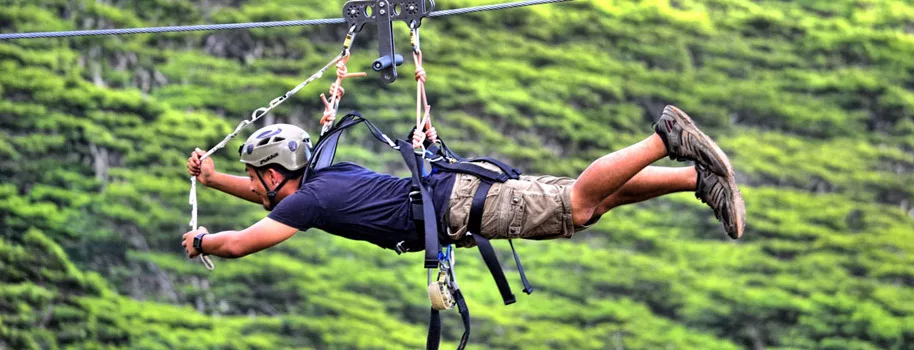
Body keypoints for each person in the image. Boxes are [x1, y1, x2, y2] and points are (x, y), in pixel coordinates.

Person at [180, 105, 745, 259]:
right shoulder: (322, 180)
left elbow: (239, 242)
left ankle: (664, 137)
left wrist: (202, 241)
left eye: (259, 176)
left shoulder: (309, 203)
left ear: (278, 173)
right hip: (461, 195)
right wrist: (212, 178)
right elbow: (264, 195)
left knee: (576, 203)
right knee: (587, 207)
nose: (257, 185)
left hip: (462, 207)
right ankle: (694, 177)